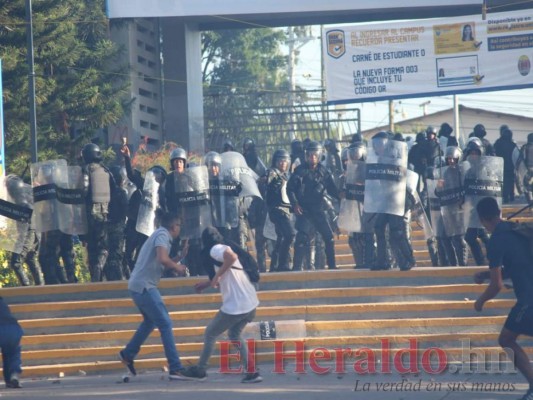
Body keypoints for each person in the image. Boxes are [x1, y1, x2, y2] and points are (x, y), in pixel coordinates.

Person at [180, 227, 262, 383]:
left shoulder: (215, 248)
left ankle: (201, 370)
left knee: (210, 332)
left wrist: (216, 276)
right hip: (250, 303)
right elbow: (229, 270)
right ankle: (252, 372)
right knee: (234, 334)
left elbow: (231, 257)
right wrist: (207, 283)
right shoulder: (223, 246)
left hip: (237, 305)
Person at [119, 211, 190, 380]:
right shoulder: (163, 235)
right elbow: (162, 259)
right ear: (174, 226)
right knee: (165, 323)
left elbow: (161, 263)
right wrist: (178, 267)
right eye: (179, 225)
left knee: (150, 322)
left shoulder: (160, 235)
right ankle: (175, 367)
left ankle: (128, 354)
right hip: (144, 286)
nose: (180, 228)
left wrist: (179, 257)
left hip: (138, 286)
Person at [474, 197, 533, 400]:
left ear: (482, 220)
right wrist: (485, 274)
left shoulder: (496, 241)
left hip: (529, 299)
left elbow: (496, 285)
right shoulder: (517, 229)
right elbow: (519, 264)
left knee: (506, 339)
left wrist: (480, 302)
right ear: (499, 212)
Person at [287, 141, 340, 271]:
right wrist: (295, 204)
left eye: (315, 155)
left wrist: (342, 196)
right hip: (304, 210)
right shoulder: (300, 171)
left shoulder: (324, 171)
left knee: (329, 238)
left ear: (319, 155)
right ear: (306, 155)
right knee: (301, 238)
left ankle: (332, 266)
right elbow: (290, 189)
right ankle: (296, 268)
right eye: (310, 155)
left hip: (318, 209)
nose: (313, 157)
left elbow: (333, 189)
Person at [81, 143, 114, 282]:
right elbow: (115, 190)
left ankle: (96, 273)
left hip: (89, 214)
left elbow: (84, 189)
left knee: (92, 247)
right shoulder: (106, 171)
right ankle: (99, 267)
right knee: (103, 246)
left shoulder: (87, 169)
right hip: (104, 214)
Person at [265, 149, 294, 272]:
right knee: (289, 234)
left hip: (285, 210)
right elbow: (267, 181)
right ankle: (282, 264)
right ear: (275, 162)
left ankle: (274, 265)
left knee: (281, 237)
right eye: (280, 161)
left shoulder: (286, 175)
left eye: (285, 161)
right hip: (277, 210)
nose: (283, 163)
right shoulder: (272, 172)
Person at [0, 296, 23, 388]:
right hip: (12, 328)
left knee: (10, 353)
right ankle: (13, 375)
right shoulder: (2, 303)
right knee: (12, 354)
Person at [494, 125, 518, 203]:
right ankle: (511, 195)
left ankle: (506, 196)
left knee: (504, 181)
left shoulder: (498, 143)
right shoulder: (513, 144)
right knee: (510, 181)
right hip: (510, 166)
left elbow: (494, 153)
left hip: (501, 166)